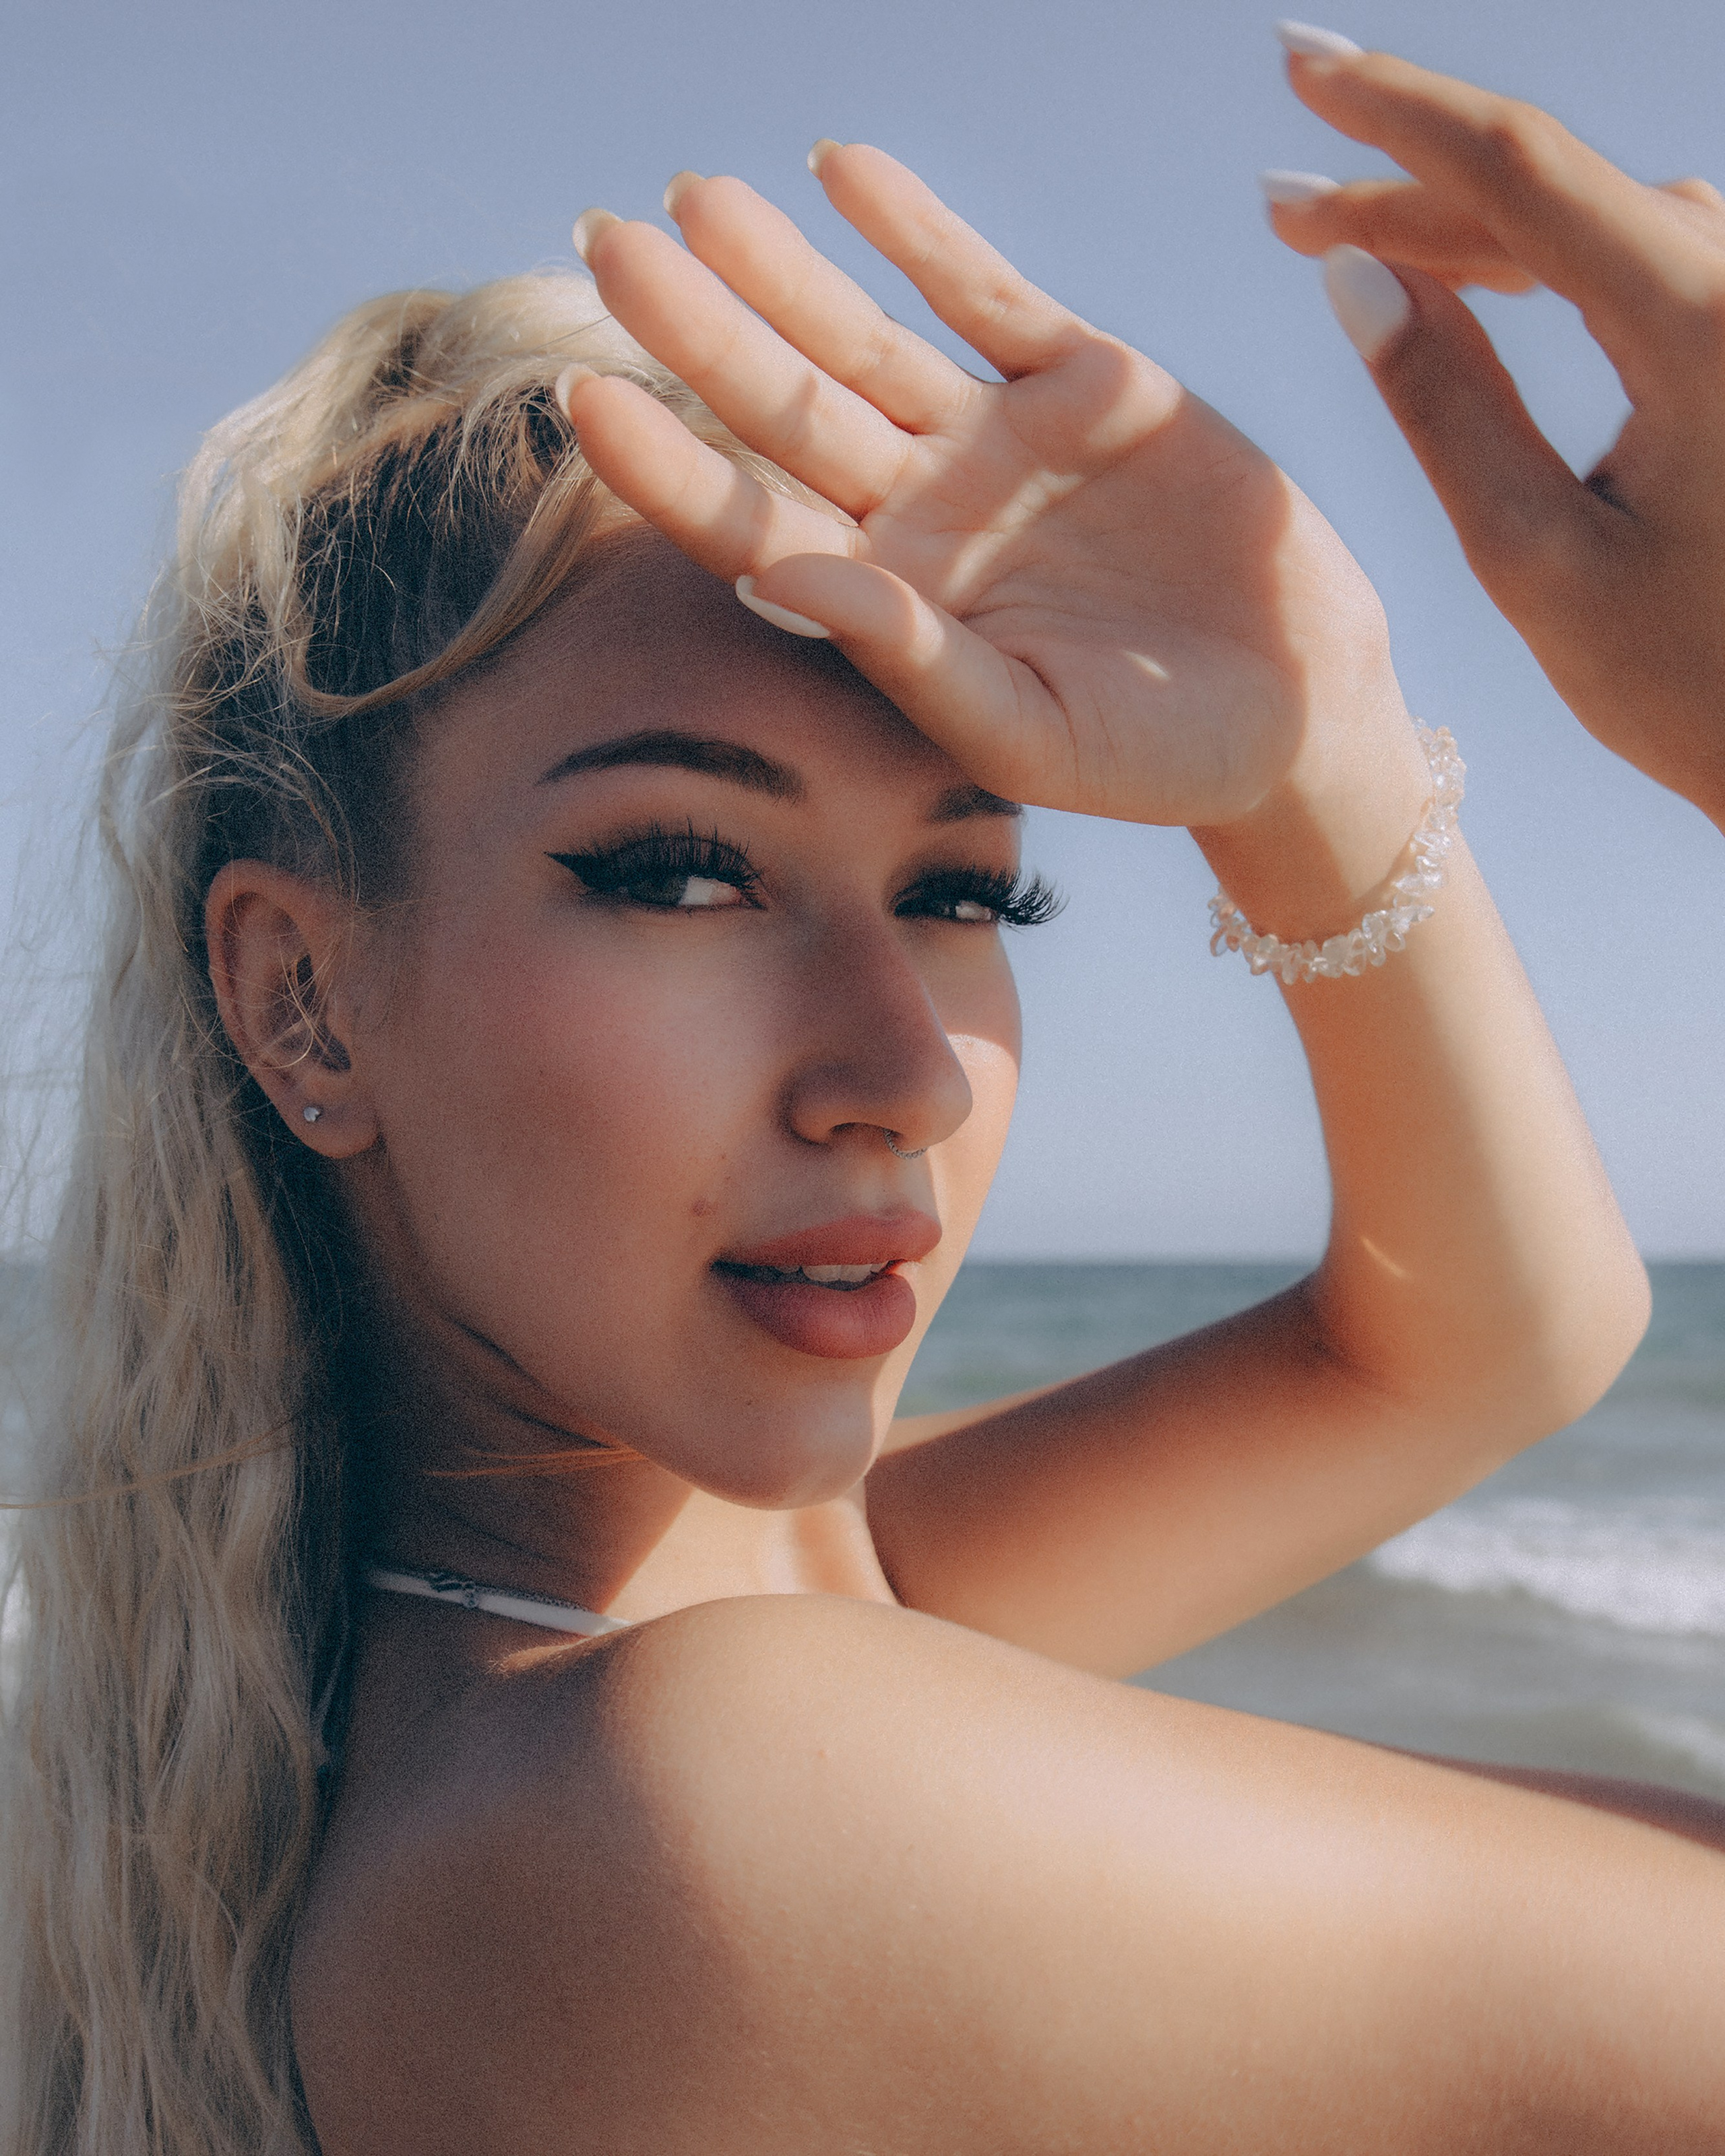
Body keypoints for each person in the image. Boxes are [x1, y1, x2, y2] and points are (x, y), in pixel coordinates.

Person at [6, 31, 1724, 2156]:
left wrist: (1325, 752)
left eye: (963, 887)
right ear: (302, 1003)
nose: (900, 1074)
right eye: (681, 871)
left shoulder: (660, 1639)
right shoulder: (685, 1800)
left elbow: (1500, 1336)